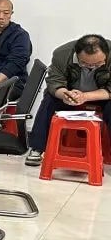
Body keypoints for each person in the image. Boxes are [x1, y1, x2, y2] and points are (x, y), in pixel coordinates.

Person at [24, 34, 111, 167]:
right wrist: (65, 95)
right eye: (85, 63)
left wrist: (85, 96)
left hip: (101, 94)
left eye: (98, 64)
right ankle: (37, 148)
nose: (91, 67)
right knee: (49, 100)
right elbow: (54, 83)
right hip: (71, 93)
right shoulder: (62, 54)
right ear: (77, 54)